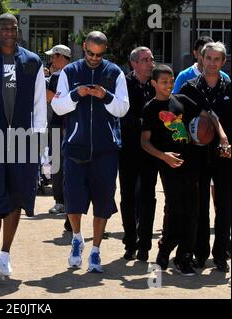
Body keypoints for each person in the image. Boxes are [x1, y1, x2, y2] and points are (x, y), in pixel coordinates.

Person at [0, 13, 47, 281]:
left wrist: (39, 142)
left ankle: (5, 254)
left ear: (18, 31)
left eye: (13, 28)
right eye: (4, 28)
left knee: (16, 196)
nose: (9, 32)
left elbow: (40, 104)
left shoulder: (31, 61)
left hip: (23, 140)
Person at [51, 31, 129, 273]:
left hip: (106, 149)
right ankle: (76, 238)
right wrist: (77, 94)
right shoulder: (70, 71)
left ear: (105, 52)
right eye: (90, 53)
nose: (94, 58)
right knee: (73, 201)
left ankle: (96, 251)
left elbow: (123, 109)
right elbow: (58, 106)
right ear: (83, 46)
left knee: (103, 202)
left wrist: (105, 96)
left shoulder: (114, 72)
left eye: (99, 55)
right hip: (76, 147)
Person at [141, 64, 228, 276]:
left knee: (192, 212)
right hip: (169, 166)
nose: (168, 85)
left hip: (191, 164)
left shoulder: (181, 100)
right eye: (164, 82)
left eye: (171, 81)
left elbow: (209, 115)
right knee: (176, 210)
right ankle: (165, 250)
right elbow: (144, 142)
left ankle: (184, 258)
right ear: (154, 83)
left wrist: (219, 135)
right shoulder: (150, 108)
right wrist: (164, 156)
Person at [178, 41, 231, 272]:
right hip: (196, 155)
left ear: (223, 62)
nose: (211, 63)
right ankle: (200, 253)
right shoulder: (189, 88)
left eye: (216, 59)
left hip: (224, 155)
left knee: (225, 206)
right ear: (201, 58)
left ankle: (221, 254)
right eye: (208, 58)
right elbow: (178, 121)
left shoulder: (230, 88)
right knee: (198, 206)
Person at [120, 46, 157, 261]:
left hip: (151, 151)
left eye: (151, 59)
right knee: (128, 198)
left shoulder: (155, 85)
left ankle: (144, 244)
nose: (150, 63)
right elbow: (119, 116)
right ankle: (130, 242)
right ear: (134, 63)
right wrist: (143, 123)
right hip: (128, 150)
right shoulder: (124, 84)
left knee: (148, 197)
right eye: (145, 60)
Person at [44, 45, 72, 231]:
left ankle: (67, 201)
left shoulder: (71, 74)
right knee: (56, 164)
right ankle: (59, 200)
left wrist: (53, 96)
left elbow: (52, 98)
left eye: (54, 57)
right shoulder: (54, 76)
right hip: (55, 123)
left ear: (62, 57)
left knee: (68, 165)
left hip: (69, 125)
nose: (51, 61)